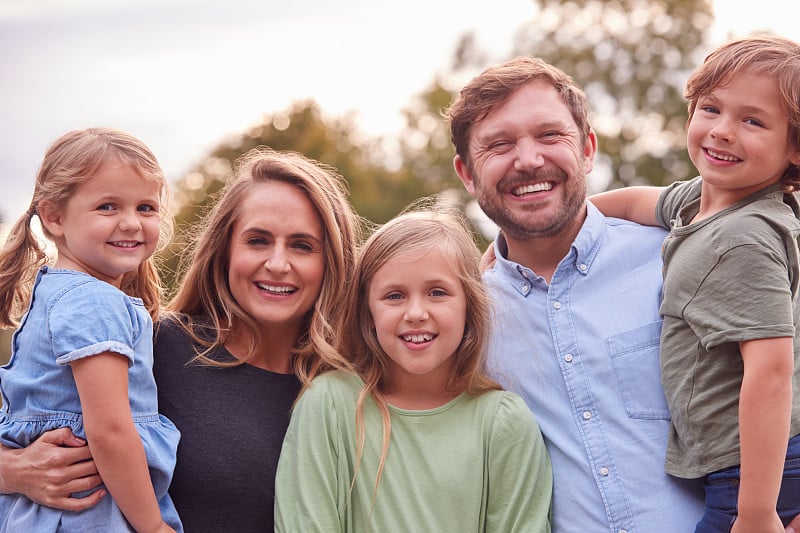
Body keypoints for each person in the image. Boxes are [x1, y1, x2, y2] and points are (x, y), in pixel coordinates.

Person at [446, 55, 800, 533]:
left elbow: (778, 368)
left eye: (550, 136)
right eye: (499, 144)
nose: (529, 159)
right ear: (467, 175)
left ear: (588, 149)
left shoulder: (686, 255)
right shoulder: (463, 321)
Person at [0, 146, 361, 531]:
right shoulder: (152, 345)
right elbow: (32, 414)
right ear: (225, 250)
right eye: (257, 241)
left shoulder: (353, 391)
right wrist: (14, 470)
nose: (276, 263)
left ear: (332, 261)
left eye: (302, 246)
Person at [588, 35, 800, 533]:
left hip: (757, 475)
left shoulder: (743, 238)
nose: (723, 131)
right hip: (749, 470)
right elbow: (640, 201)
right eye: (711, 109)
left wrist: (754, 514)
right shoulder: (704, 202)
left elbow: (770, 371)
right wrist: (560, 224)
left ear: (794, 148)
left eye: (752, 120)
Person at [274, 205, 553, 532]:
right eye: (394, 296)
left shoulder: (504, 422)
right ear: (368, 314)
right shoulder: (330, 405)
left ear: (469, 304)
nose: (416, 313)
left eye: (437, 292)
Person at [0, 128, 181, 532]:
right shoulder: (92, 301)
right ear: (54, 217)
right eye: (108, 206)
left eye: (146, 208)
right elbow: (110, 430)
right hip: (89, 512)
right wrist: (152, 526)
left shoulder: (57, 292)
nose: (132, 223)